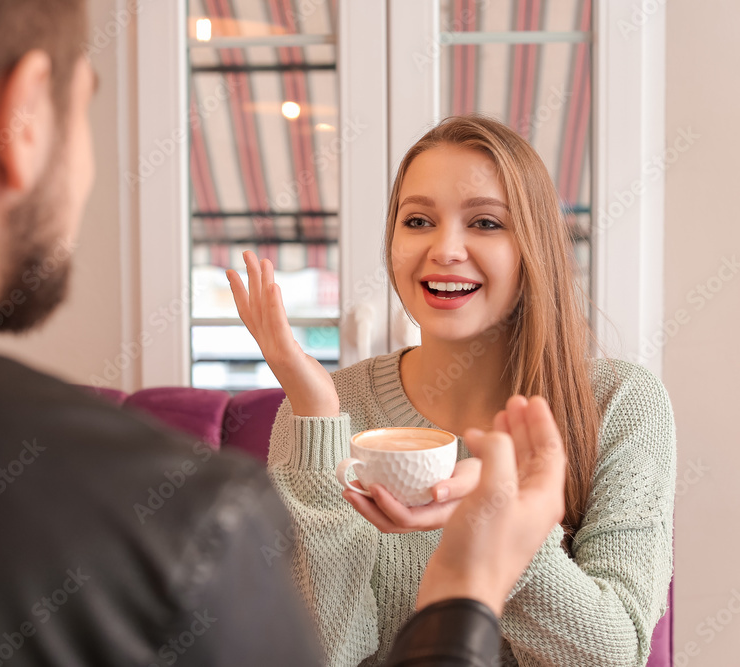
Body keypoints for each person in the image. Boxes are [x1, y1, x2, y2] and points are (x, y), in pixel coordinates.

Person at [0, 2, 566, 665]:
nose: (445, 247)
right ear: (22, 116)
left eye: (485, 221)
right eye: (87, 108)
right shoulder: (181, 525)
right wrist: (465, 587)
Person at [227, 115, 677, 666]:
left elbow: (615, 655)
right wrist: (317, 415)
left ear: (532, 243)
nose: (445, 249)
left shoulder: (621, 404)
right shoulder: (326, 412)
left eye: (486, 223)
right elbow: (318, 654)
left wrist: (503, 526)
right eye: (418, 220)